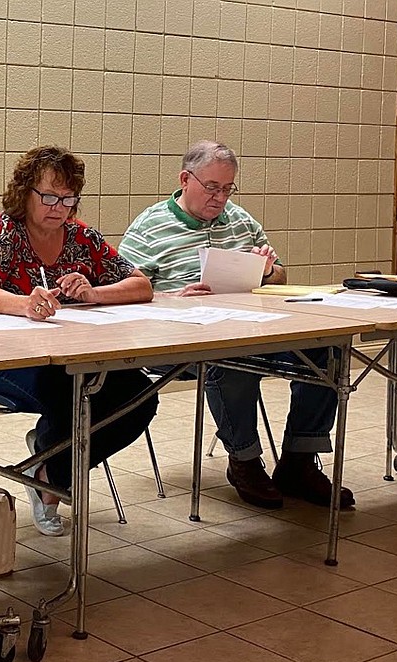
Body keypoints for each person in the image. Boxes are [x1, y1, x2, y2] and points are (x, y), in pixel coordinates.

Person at [119, 140, 354, 510]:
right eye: (212, 187)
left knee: (327, 349)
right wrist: (173, 296)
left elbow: (280, 274)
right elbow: (123, 291)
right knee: (231, 362)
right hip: (175, 338)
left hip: (250, 326)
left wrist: (267, 271)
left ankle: (299, 460)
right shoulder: (150, 227)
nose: (220, 197)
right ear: (185, 179)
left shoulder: (241, 220)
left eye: (228, 188)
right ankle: (244, 460)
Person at [0, 145, 159, 536]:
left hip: (67, 354)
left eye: (68, 199)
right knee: (76, 390)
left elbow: (141, 285)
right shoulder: (1, 229)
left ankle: (47, 468)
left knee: (140, 396)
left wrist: (95, 293)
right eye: (48, 196)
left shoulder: (82, 238)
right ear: (25, 192)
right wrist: (23, 304)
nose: (58, 207)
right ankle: (51, 467)